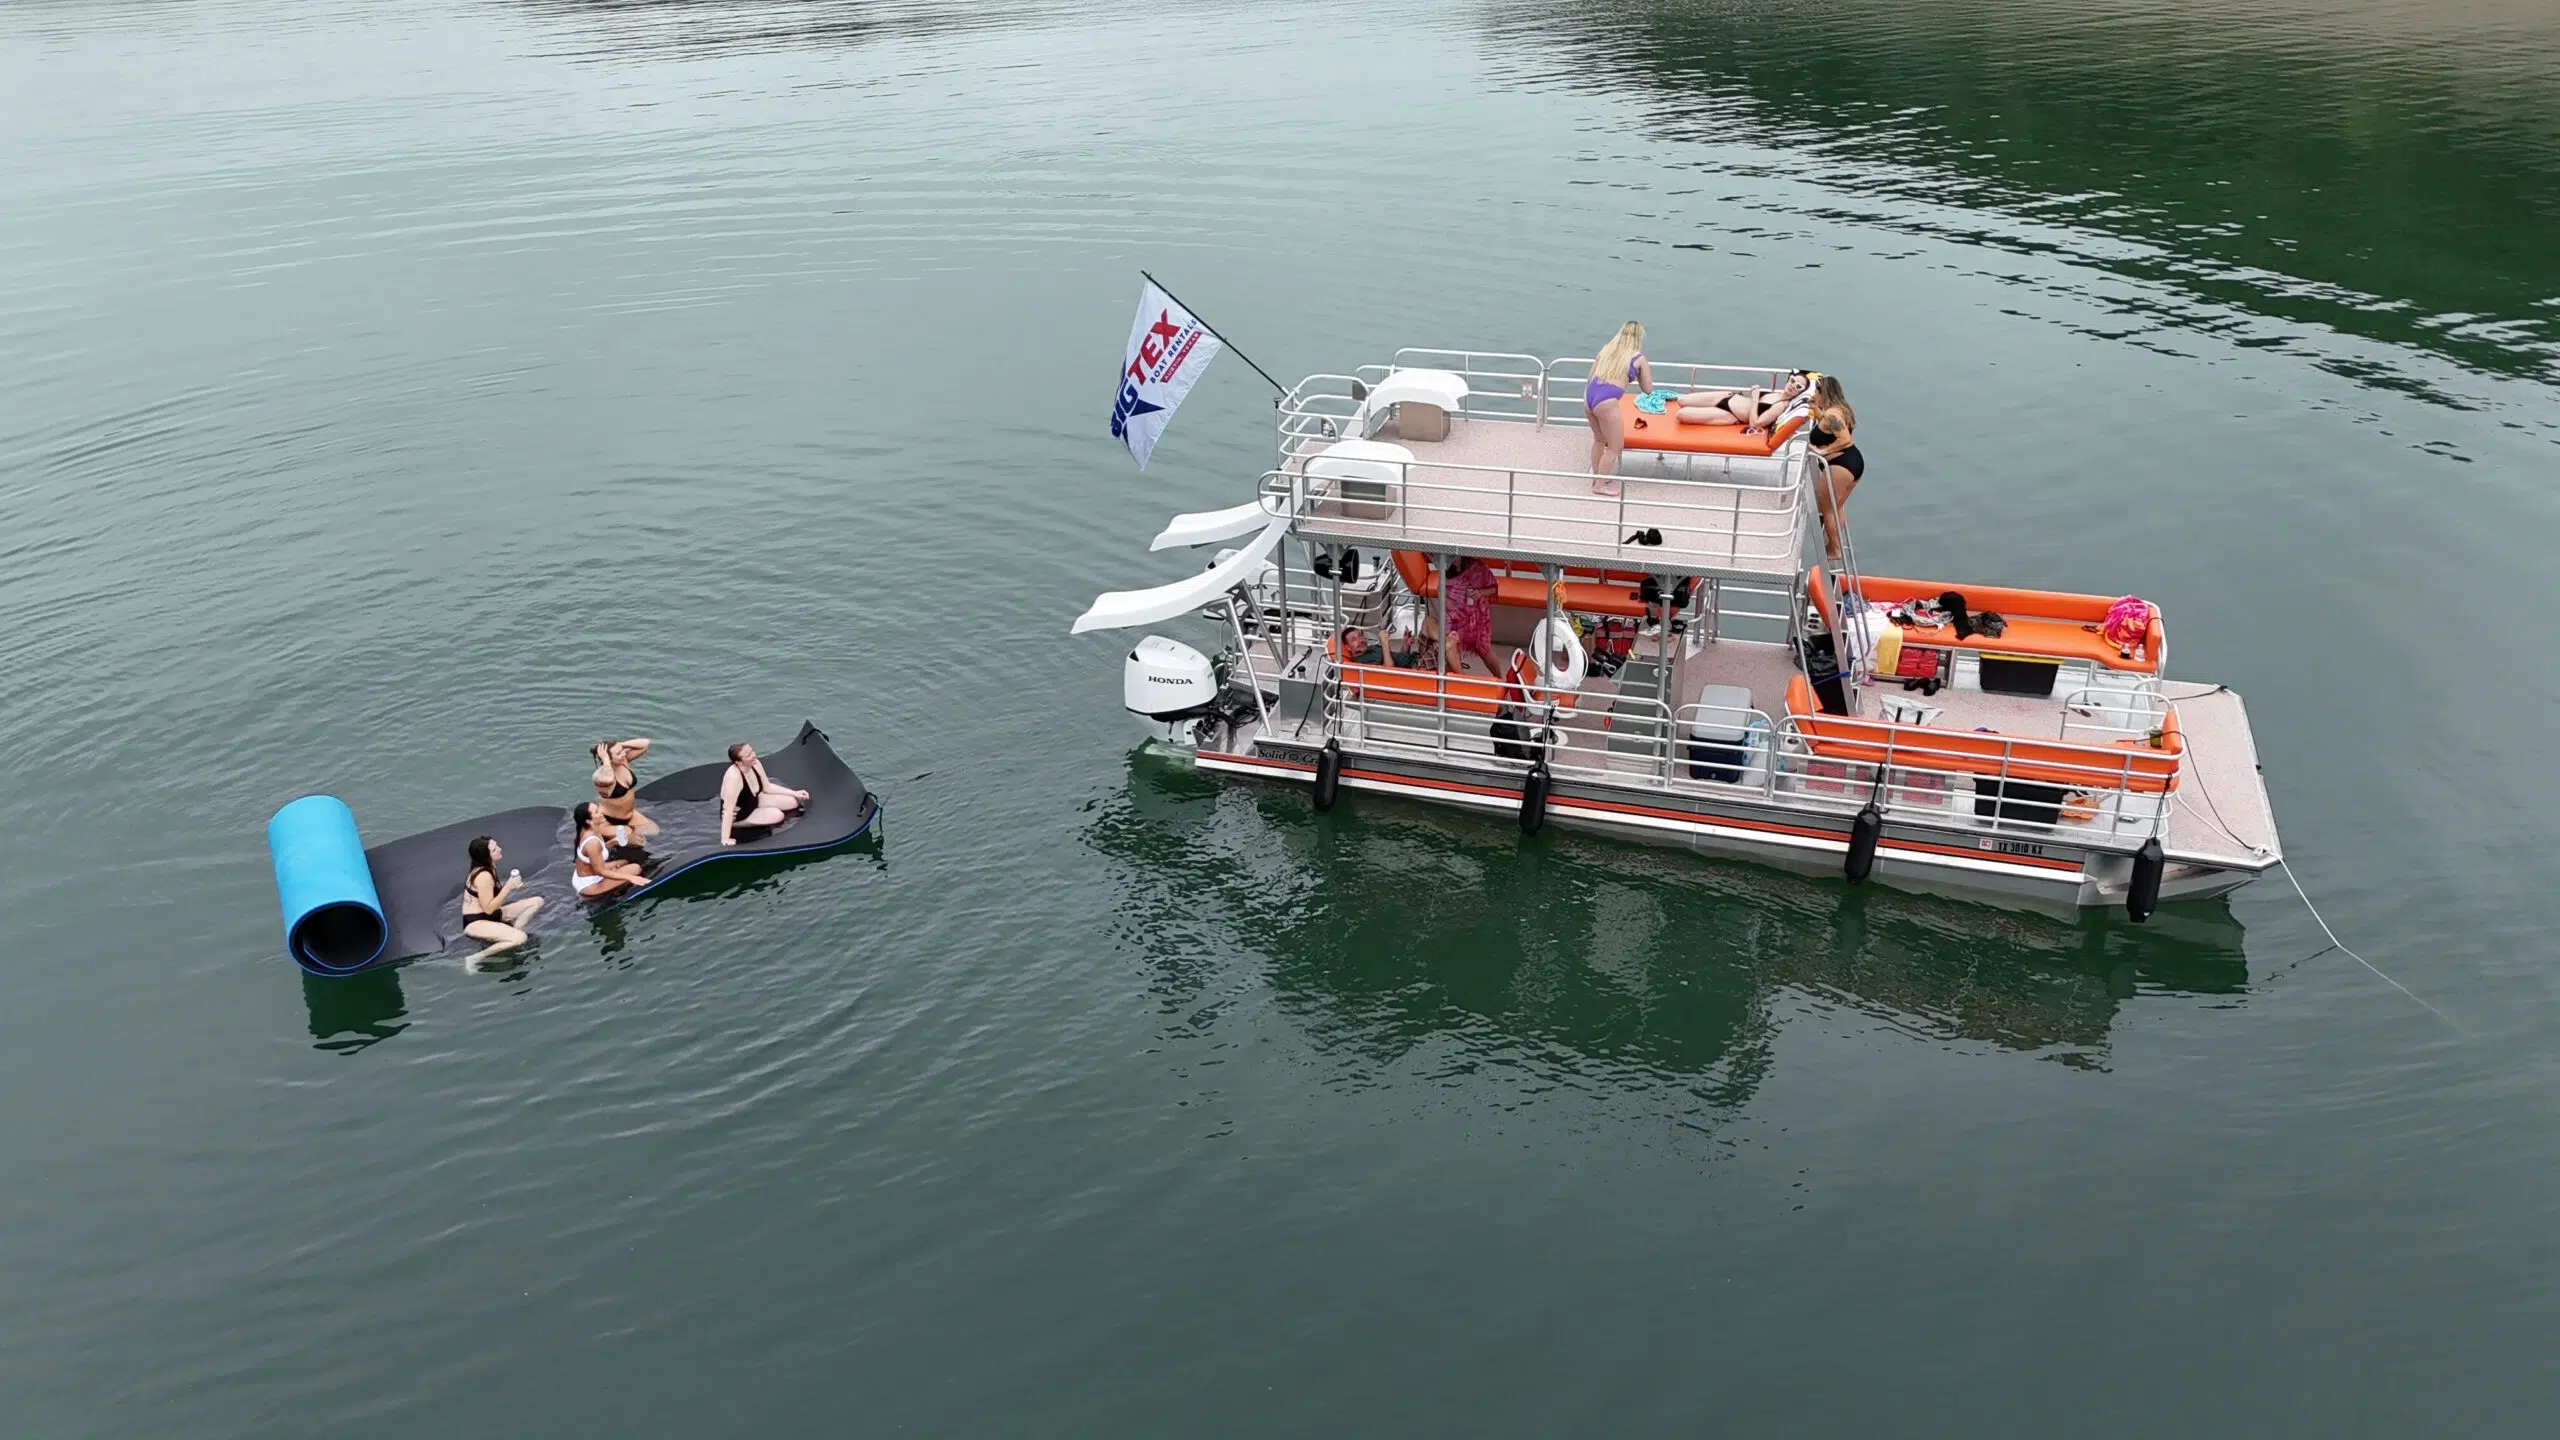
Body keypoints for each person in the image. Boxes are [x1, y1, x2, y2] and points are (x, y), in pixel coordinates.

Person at [1582, 321, 1652, 490]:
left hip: (1588, 396)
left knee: (1599, 439)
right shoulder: (1638, 358)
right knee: (1615, 447)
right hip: (1607, 401)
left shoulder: (1606, 350)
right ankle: (1599, 486)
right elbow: (1648, 389)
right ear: (1638, 338)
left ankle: (1597, 476)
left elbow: (1591, 375)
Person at [1805, 374, 1864, 562]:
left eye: (1817, 392)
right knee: (1836, 506)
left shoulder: (1833, 415)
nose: (1815, 394)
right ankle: (1833, 544)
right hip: (1852, 463)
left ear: (1825, 393)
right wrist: (1816, 409)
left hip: (1841, 465)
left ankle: (1835, 548)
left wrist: (1823, 451)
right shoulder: (1838, 411)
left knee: (1827, 508)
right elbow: (1829, 427)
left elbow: (1845, 439)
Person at [460, 835, 543, 965]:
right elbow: (488, 909)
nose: (499, 849)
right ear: (485, 857)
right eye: (494, 850)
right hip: (476, 922)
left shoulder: (489, 867)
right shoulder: (483, 876)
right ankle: (475, 958)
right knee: (520, 939)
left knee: (537, 901)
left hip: (493, 914)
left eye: (496, 846)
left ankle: (517, 927)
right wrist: (508, 887)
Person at [719, 742, 810, 847]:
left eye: (752, 751)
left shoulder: (755, 763)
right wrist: (725, 838)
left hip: (753, 801)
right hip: (740, 816)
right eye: (748, 755)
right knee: (777, 815)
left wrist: (795, 793)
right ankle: (741, 824)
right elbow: (728, 811)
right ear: (738, 762)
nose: (753, 755)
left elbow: (767, 787)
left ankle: (764, 809)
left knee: (793, 802)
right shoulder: (734, 778)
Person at [590, 737, 657, 858]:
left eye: (622, 751)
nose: (623, 753)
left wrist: (620, 745)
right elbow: (608, 779)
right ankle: (610, 844)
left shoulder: (623, 762)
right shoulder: (601, 777)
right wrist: (605, 760)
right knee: (637, 844)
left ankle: (619, 840)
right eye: (618, 753)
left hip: (630, 815)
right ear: (609, 759)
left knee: (654, 832)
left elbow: (645, 744)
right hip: (608, 821)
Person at [1676, 369, 1808, 431]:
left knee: (1681, 414)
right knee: (1681, 400)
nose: (1792, 385)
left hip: (1730, 414)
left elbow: (1754, 424)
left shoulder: (1781, 406)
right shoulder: (1777, 393)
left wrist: (1755, 398)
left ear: (1800, 392)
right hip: (1727, 396)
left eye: (1798, 386)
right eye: (1792, 381)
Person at [570, 802, 649, 902]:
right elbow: (601, 871)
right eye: (597, 812)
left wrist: (612, 842)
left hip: (586, 873)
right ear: (589, 821)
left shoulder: (589, 830)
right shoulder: (592, 842)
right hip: (589, 885)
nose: (601, 812)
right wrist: (630, 878)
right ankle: (598, 897)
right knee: (635, 869)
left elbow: (594, 853)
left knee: (624, 862)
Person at [1441, 556, 1503, 676]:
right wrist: (1445, 600)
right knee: (1450, 648)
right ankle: (1458, 681)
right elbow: (1440, 588)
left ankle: (1500, 679)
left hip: (1475, 618)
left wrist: (1480, 593)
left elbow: (1494, 589)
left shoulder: (1478, 567)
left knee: (1484, 651)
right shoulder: (1445, 565)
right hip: (1453, 617)